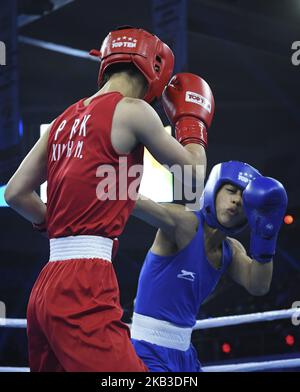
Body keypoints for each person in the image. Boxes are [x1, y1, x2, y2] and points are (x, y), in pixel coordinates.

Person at [4, 26, 215, 371]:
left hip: (45, 287)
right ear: (156, 67)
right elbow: (192, 172)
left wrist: (55, 224)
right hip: (84, 285)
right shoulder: (133, 110)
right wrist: (193, 122)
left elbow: (15, 193)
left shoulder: (63, 119)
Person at [131, 160, 288, 372]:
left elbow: (258, 286)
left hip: (184, 352)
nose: (237, 201)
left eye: (245, 198)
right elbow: (132, 201)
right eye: (231, 191)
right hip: (145, 349)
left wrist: (266, 237)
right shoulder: (185, 223)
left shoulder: (231, 250)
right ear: (213, 189)